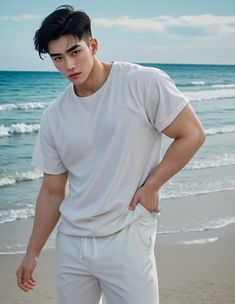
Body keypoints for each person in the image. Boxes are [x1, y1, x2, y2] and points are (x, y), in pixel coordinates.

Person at [16, 5, 205, 304]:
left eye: (75, 52)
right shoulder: (54, 115)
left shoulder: (143, 83)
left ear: (93, 45)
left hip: (127, 233)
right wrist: (33, 253)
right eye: (58, 59)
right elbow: (53, 192)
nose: (69, 65)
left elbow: (192, 134)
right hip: (72, 243)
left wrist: (152, 185)